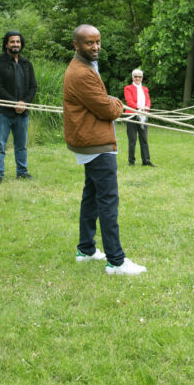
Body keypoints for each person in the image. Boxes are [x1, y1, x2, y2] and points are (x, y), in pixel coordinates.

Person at [63, 24, 146, 276]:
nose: (95, 47)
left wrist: (109, 101)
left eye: (97, 42)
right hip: (95, 144)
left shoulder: (86, 66)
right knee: (108, 200)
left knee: (91, 196)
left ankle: (86, 249)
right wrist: (116, 103)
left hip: (89, 141)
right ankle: (116, 262)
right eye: (89, 43)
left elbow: (101, 101)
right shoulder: (81, 73)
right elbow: (107, 109)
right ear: (76, 45)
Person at [0, 31, 37, 183]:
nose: (15, 44)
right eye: (12, 42)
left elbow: (33, 86)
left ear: (21, 44)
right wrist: (14, 103)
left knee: (21, 145)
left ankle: (22, 172)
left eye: (18, 42)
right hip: (2, 112)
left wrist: (24, 103)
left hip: (22, 112)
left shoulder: (26, 64)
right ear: (6, 44)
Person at [123, 69, 154, 166]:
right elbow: (129, 101)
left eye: (139, 76)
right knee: (132, 140)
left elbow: (148, 100)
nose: (138, 78)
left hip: (143, 116)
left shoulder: (145, 89)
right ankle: (131, 161)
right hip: (132, 116)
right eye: (136, 76)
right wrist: (138, 107)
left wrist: (147, 107)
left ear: (142, 78)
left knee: (144, 139)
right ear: (132, 78)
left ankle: (146, 161)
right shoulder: (128, 88)